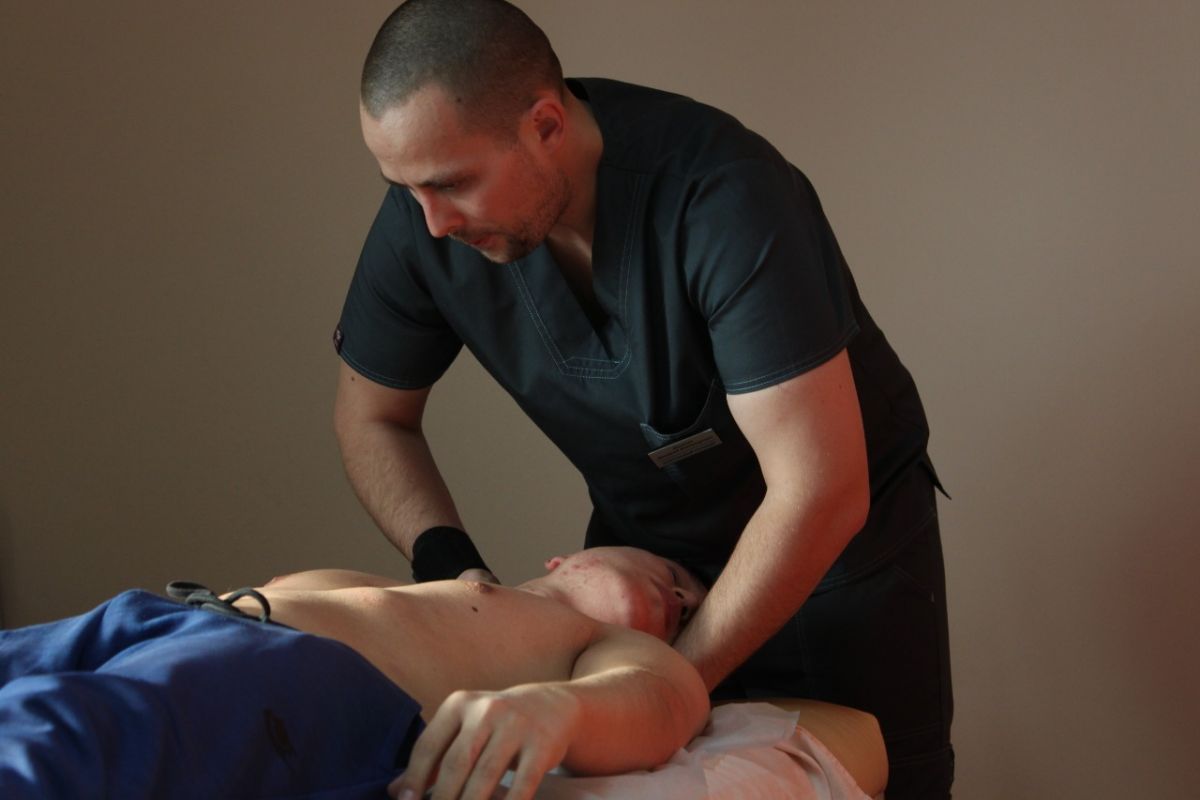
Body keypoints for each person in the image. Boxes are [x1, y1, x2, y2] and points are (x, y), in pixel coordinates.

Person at [332, 1, 953, 796]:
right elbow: (373, 418)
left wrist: (658, 693)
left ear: (546, 125)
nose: (432, 222)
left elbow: (821, 490)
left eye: (452, 182)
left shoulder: (723, 194)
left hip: (836, 571)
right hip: (647, 576)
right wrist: (463, 583)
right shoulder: (426, 217)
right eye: (405, 187)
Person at [0, 546, 710, 800]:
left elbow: (667, 697)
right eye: (672, 572)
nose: (680, 599)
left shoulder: (596, 640)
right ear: (566, 557)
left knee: (55, 743)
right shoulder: (443, 591)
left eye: (686, 613)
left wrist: (560, 709)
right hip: (168, 617)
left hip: (280, 670)